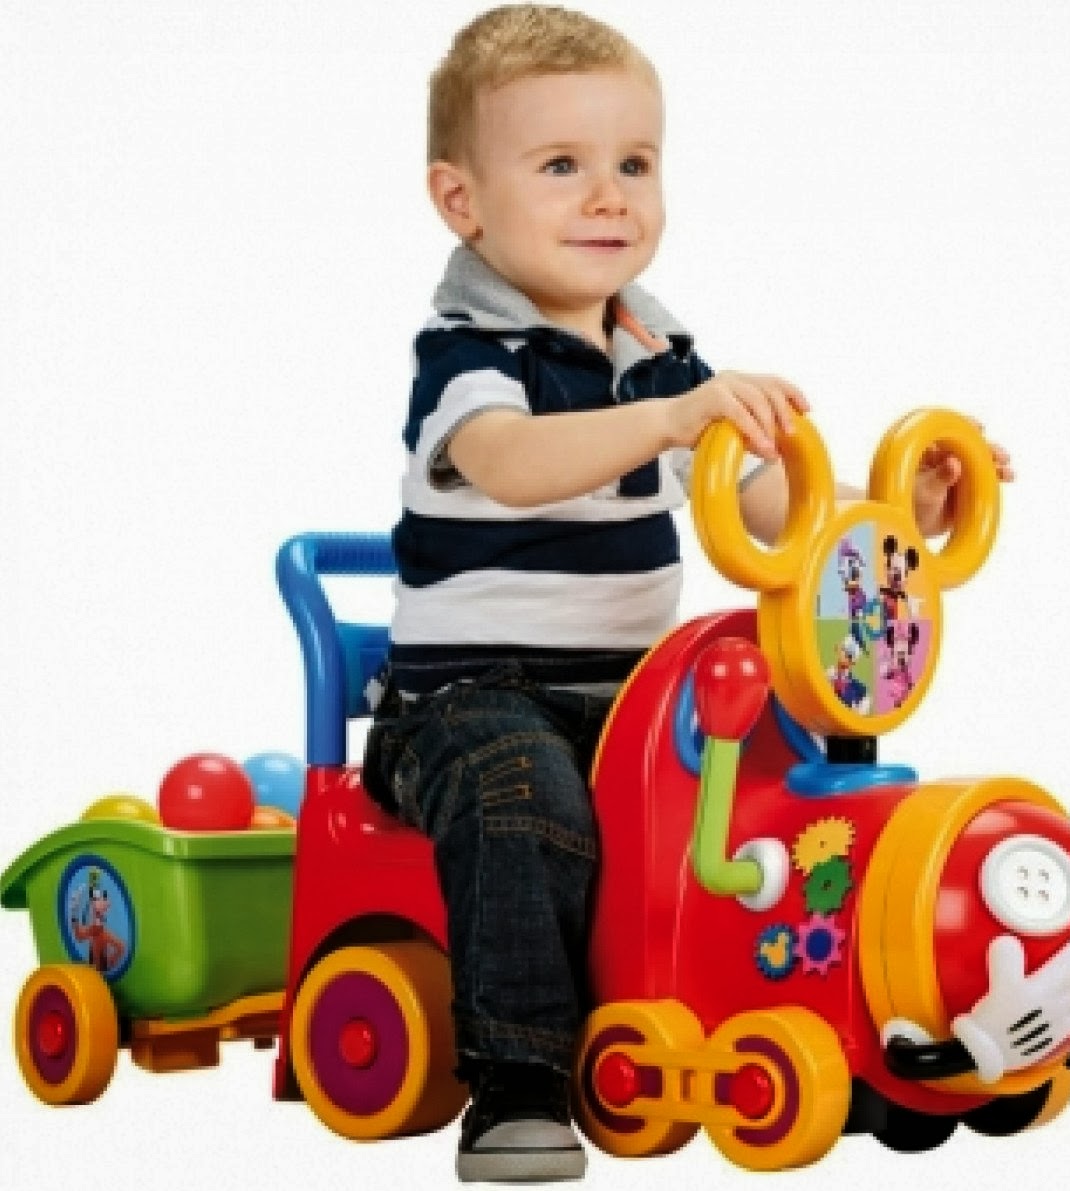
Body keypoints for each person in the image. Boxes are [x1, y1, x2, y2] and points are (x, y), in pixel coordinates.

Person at [362, 5, 1013, 1183]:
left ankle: (823, 998)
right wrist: (668, 421)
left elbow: (770, 503)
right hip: (467, 704)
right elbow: (511, 464)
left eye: (634, 165)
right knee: (521, 790)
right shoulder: (469, 355)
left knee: (788, 766)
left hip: (637, 696)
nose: (607, 197)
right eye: (561, 166)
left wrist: (899, 507)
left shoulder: (656, 353)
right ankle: (518, 1080)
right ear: (462, 201)